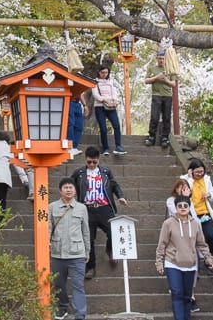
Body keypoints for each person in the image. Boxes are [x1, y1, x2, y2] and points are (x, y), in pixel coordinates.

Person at [71, 146, 128, 280]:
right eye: (89, 162)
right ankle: (90, 266)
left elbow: (114, 185)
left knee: (113, 230)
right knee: (88, 239)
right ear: (85, 159)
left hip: (104, 207)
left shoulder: (105, 172)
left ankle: (110, 249)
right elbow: (70, 185)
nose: (91, 165)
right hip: (87, 208)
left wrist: (121, 196)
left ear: (99, 160)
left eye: (94, 162)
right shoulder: (79, 173)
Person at [156, 195, 213, 320]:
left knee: (187, 296)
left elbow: (201, 243)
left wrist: (208, 258)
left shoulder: (196, 224)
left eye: (185, 206)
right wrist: (159, 262)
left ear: (189, 207)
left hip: (190, 264)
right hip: (172, 262)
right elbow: (162, 243)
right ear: (176, 208)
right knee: (177, 294)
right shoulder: (168, 223)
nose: (183, 208)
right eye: (180, 206)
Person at [50, 177, 90, 320]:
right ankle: (62, 308)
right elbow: (48, 229)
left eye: (71, 187)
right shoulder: (52, 207)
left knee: (78, 286)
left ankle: (80, 314)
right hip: (57, 253)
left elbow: (86, 231)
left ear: (75, 191)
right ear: (60, 190)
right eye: (65, 187)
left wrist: (87, 251)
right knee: (58, 284)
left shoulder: (82, 208)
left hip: (77, 254)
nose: (68, 190)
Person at [166, 179, 202, 312]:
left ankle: (190, 296)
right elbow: (177, 212)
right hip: (176, 242)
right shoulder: (171, 201)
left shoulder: (189, 202)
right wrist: (184, 199)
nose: (185, 190)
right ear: (176, 189)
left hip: (191, 240)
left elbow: (195, 219)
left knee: (194, 268)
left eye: (187, 187)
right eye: (182, 187)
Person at [181, 159, 213, 264]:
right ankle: (194, 260)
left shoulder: (206, 179)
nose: (200, 174)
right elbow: (186, 193)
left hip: (205, 213)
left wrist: (209, 195)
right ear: (191, 171)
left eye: (202, 171)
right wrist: (190, 178)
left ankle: (208, 258)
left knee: (210, 236)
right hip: (192, 213)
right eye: (197, 172)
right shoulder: (184, 179)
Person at [91, 65, 126, 155]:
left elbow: (114, 92)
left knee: (116, 125)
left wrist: (115, 101)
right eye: (103, 72)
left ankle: (118, 146)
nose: (104, 74)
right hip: (100, 106)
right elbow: (96, 95)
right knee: (103, 128)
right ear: (99, 72)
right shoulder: (95, 82)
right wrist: (105, 100)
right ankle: (105, 148)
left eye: (106, 72)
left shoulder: (110, 81)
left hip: (111, 106)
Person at [143, 51, 175, 148]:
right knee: (154, 117)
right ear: (156, 58)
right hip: (156, 95)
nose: (161, 60)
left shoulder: (170, 69)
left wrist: (166, 79)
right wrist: (156, 77)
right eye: (159, 58)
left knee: (166, 117)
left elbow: (174, 84)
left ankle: (165, 138)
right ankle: (151, 137)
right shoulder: (152, 68)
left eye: (163, 58)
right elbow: (146, 80)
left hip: (167, 95)